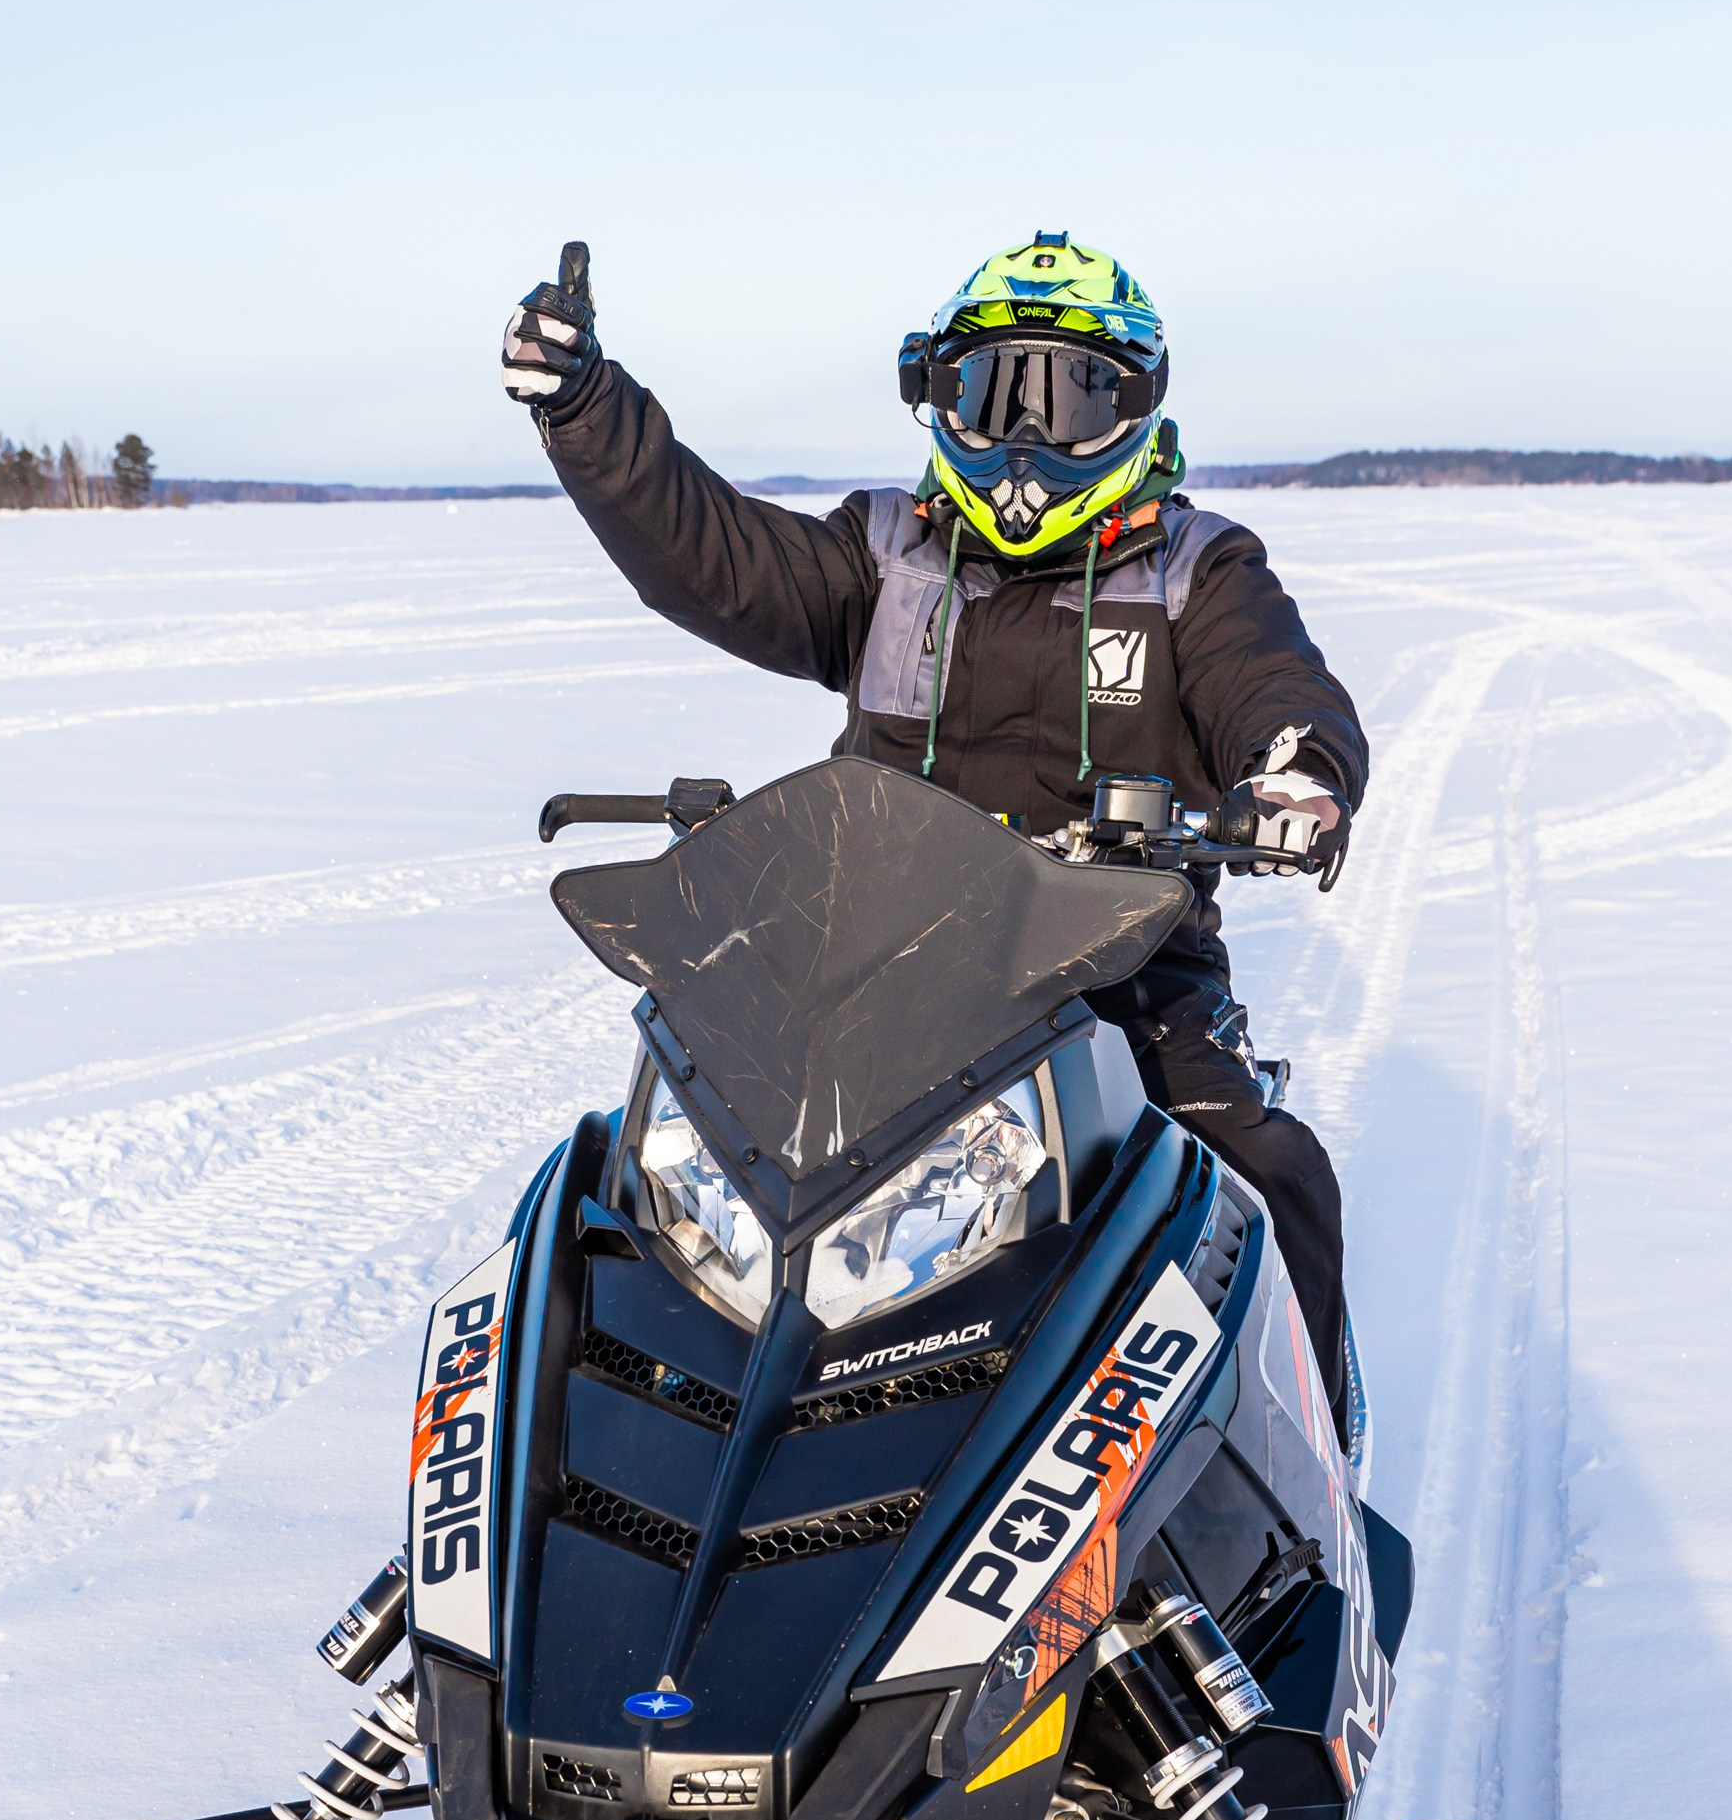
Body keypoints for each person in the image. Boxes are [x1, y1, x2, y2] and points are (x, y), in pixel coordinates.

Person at [501, 232, 1369, 1429]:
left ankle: (1304, 1457)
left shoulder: (1194, 574)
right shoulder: (883, 553)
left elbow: (1277, 688)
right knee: (647, 1175)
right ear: (934, 396)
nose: (1023, 438)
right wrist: (589, 410)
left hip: (1110, 962)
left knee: (1266, 1171)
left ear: (1133, 408)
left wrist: (1295, 775)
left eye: (1065, 398)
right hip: (872, 959)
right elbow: (714, 557)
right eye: (987, 390)